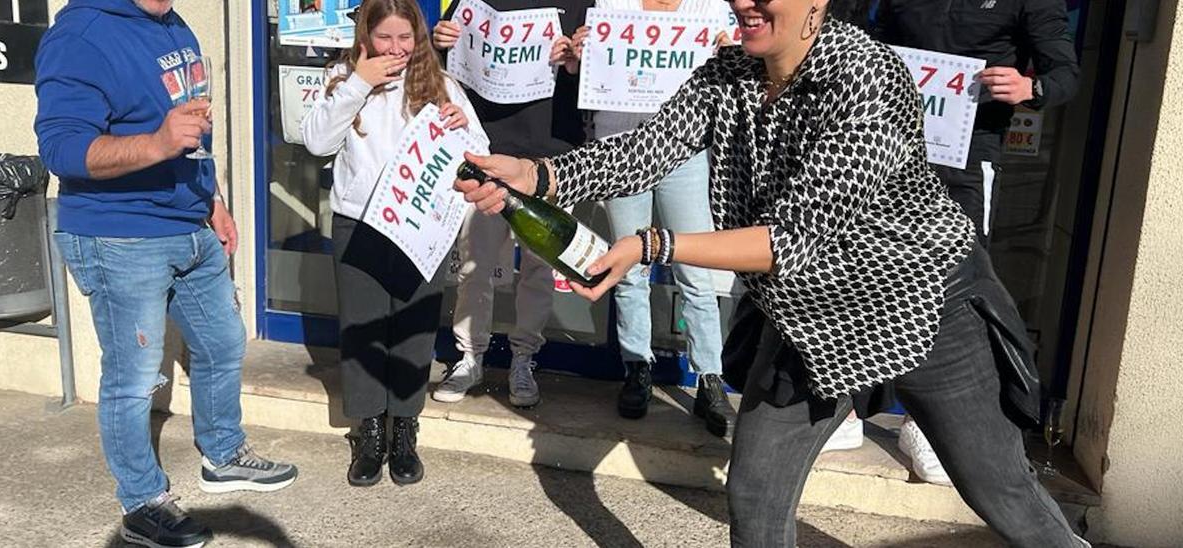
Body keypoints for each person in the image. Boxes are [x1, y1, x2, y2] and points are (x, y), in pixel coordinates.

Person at [453, 0, 1091, 545]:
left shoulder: (869, 77)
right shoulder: (729, 71)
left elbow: (795, 238)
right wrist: (540, 175)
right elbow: (643, 150)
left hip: (922, 305)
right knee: (755, 497)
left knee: (1002, 493)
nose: (745, 3)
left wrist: (652, 244)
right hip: (806, 318)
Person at [34, 1, 298, 546]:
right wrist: (157, 143)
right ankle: (141, 502)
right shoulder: (81, 36)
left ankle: (222, 455)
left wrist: (213, 200)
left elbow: (192, 127)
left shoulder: (172, 24)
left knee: (224, 342)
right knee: (133, 379)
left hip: (189, 223)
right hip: (120, 236)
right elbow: (61, 149)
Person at [869, 0, 1081, 486]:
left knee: (950, 290)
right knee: (866, 268)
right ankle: (850, 403)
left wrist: (1032, 88)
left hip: (966, 155)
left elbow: (1065, 72)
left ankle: (923, 423)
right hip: (881, 145)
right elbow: (873, 43)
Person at [300, 0, 488, 488]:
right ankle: (369, 435)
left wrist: (462, 128)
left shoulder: (441, 84)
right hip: (358, 223)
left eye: (405, 38)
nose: (396, 49)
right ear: (366, 35)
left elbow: (482, 153)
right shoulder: (342, 77)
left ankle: (405, 428)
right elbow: (317, 142)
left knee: (412, 330)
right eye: (385, 38)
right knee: (362, 330)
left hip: (419, 228)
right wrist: (359, 82)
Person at [563, 0, 737, 435]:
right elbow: (586, 70)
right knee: (630, 270)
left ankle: (709, 378)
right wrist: (584, 55)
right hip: (622, 145)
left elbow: (736, 72)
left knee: (696, 269)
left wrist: (729, 54)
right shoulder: (613, 4)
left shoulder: (709, 8)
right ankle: (636, 367)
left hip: (686, 150)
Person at [429, 0, 593, 409]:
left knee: (539, 268)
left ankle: (524, 358)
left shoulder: (581, 4)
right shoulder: (473, 0)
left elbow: (605, 76)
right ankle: (470, 357)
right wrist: (439, 44)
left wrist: (577, 62)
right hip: (487, 150)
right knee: (475, 264)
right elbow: (444, 69)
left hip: (553, 157)